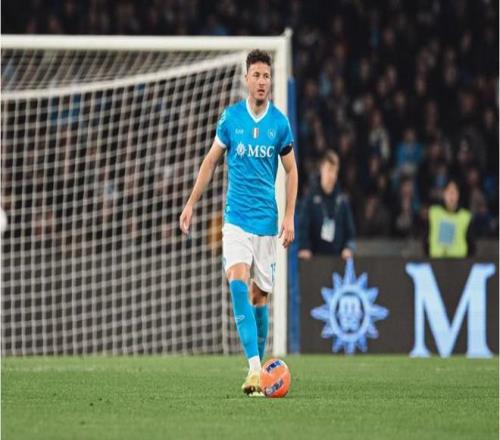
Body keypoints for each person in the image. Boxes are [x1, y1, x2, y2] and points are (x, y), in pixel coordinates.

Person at [179, 50, 298, 396]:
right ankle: (254, 368)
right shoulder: (230, 119)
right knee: (237, 280)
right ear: (246, 79)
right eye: (256, 75)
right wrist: (191, 203)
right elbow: (210, 161)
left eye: (266, 76)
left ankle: (258, 369)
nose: (261, 81)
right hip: (236, 219)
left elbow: (292, 171)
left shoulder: (279, 124)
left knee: (260, 298)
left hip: (266, 224)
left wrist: (289, 215)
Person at [298, 151, 355, 260]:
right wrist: (304, 247)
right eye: (329, 170)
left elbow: (351, 234)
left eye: (335, 171)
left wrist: (348, 248)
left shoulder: (342, 201)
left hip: (338, 260)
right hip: (314, 259)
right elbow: (303, 227)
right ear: (322, 169)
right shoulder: (310, 199)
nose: (332, 175)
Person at [425, 178, 475, 258]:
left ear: (458, 195)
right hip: (435, 261)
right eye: (448, 192)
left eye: (454, 192)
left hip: (459, 262)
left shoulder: (466, 217)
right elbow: (425, 240)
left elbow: (471, 245)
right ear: (443, 194)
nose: (451, 196)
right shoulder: (433, 212)